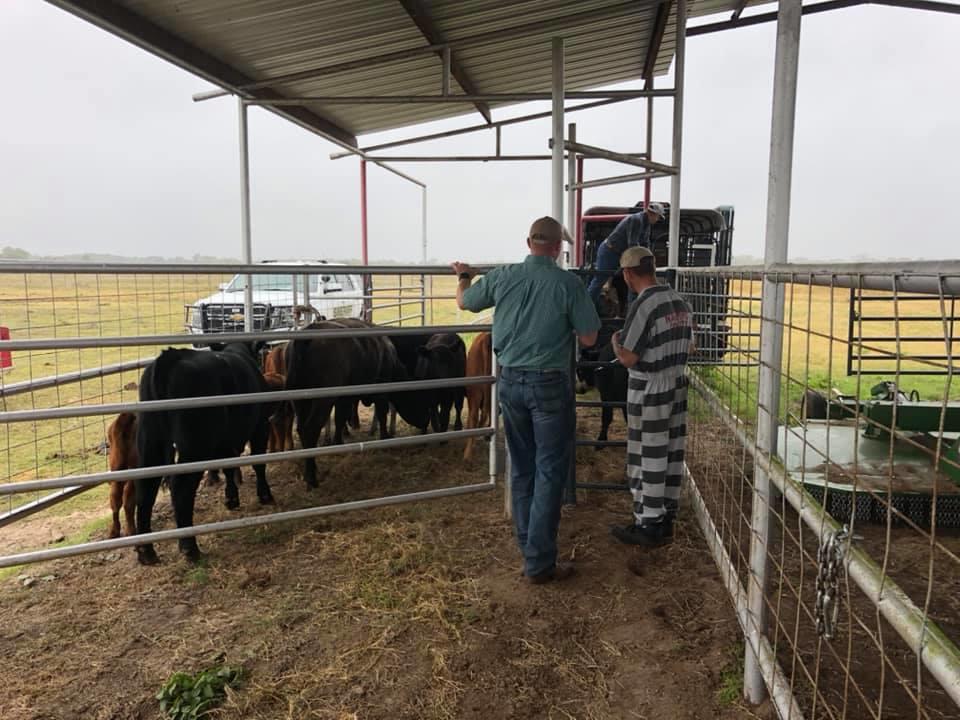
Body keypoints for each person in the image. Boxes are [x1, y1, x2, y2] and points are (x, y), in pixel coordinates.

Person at [452, 217, 600, 584]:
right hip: (549, 383)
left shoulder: (504, 276)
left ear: (528, 242)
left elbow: (465, 303)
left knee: (521, 465)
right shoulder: (568, 283)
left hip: (509, 381)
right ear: (557, 249)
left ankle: (527, 544)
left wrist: (463, 275)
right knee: (550, 469)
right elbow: (590, 338)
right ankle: (538, 561)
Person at [609, 245, 693, 547]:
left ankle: (648, 524)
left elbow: (630, 358)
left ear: (628, 273)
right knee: (671, 451)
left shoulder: (644, 305)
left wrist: (615, 344)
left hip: (650, 388)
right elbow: (691, 347)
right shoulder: (679, 301)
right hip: (677, 382)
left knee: (648, 453)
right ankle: (667, 515)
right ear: (653, 268)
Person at [586, 202, 665, 308]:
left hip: (621, 254)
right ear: (653, 214)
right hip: (610, 252)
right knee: (600, 279)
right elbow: (632, 245)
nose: (657, 220)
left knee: (631, 279)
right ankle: (586, 307)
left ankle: (630, 310)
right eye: (658, 217)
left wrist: (650, 259)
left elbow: (645, 245)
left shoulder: (646, 226)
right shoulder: (636, 220)